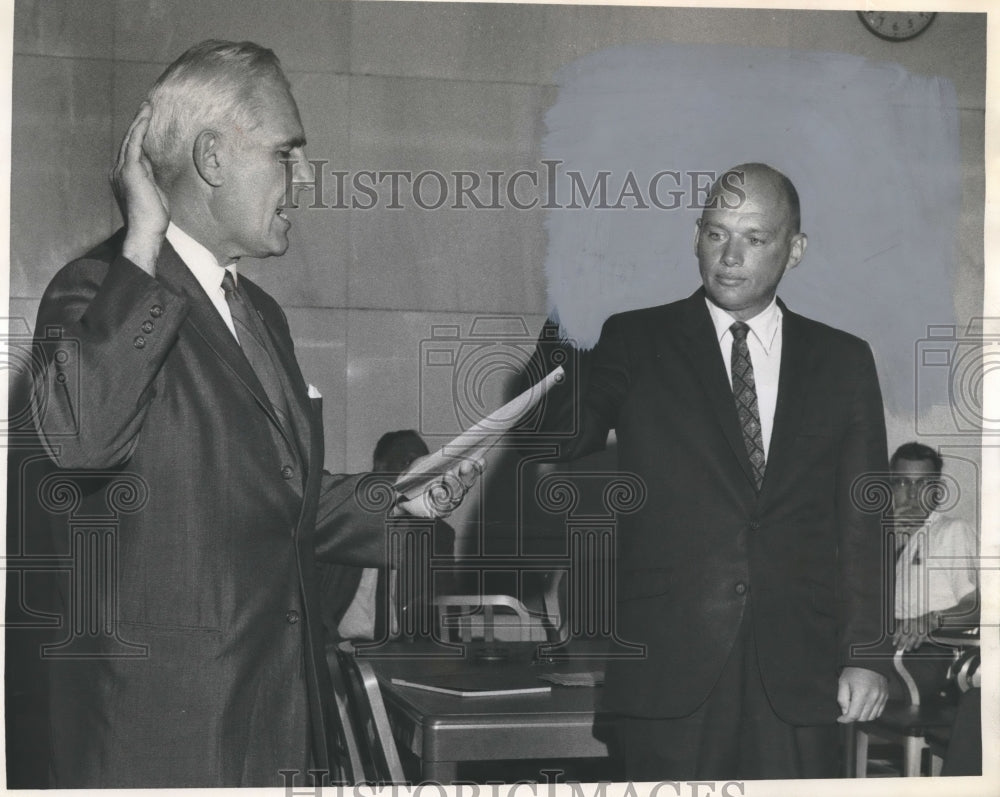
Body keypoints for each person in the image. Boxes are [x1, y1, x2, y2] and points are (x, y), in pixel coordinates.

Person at [29, 40, 478, 788]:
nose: (306, 176)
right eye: (285, 153)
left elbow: (277, 496)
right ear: (212, 158)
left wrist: (401, 498)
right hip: (165, 742)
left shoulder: (260, 313)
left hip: (277, 721)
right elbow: (81, 442)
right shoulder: (97, 289)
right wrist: (142, 241)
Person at [529, 163, 890, 779]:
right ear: (695, 236)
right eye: (716, 233)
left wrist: (866, 654)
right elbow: (556, 436)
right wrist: (567, 318)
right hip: (669, 668)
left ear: (795, 249)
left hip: (798, 673)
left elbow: (865, 522)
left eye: (755, 237)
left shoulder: (844, 360)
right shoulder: (633, 338)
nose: (730, 256)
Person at [318, 429, 457, 641]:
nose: (418, 474)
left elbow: (444, 612)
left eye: (425, 467)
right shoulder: (340, 524)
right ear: (379, 467)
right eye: (408, 463)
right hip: (340, 648)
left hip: (405, 648)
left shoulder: (438, 534)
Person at [889, 442, 979, 652]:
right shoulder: (889, 542)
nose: (912, 494)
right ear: (891, 488)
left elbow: (976, 607)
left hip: (930, 650)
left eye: (923, 483)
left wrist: (929, 621)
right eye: (903, 482)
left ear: (936, 491)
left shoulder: (952, 530)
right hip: (888, 646)